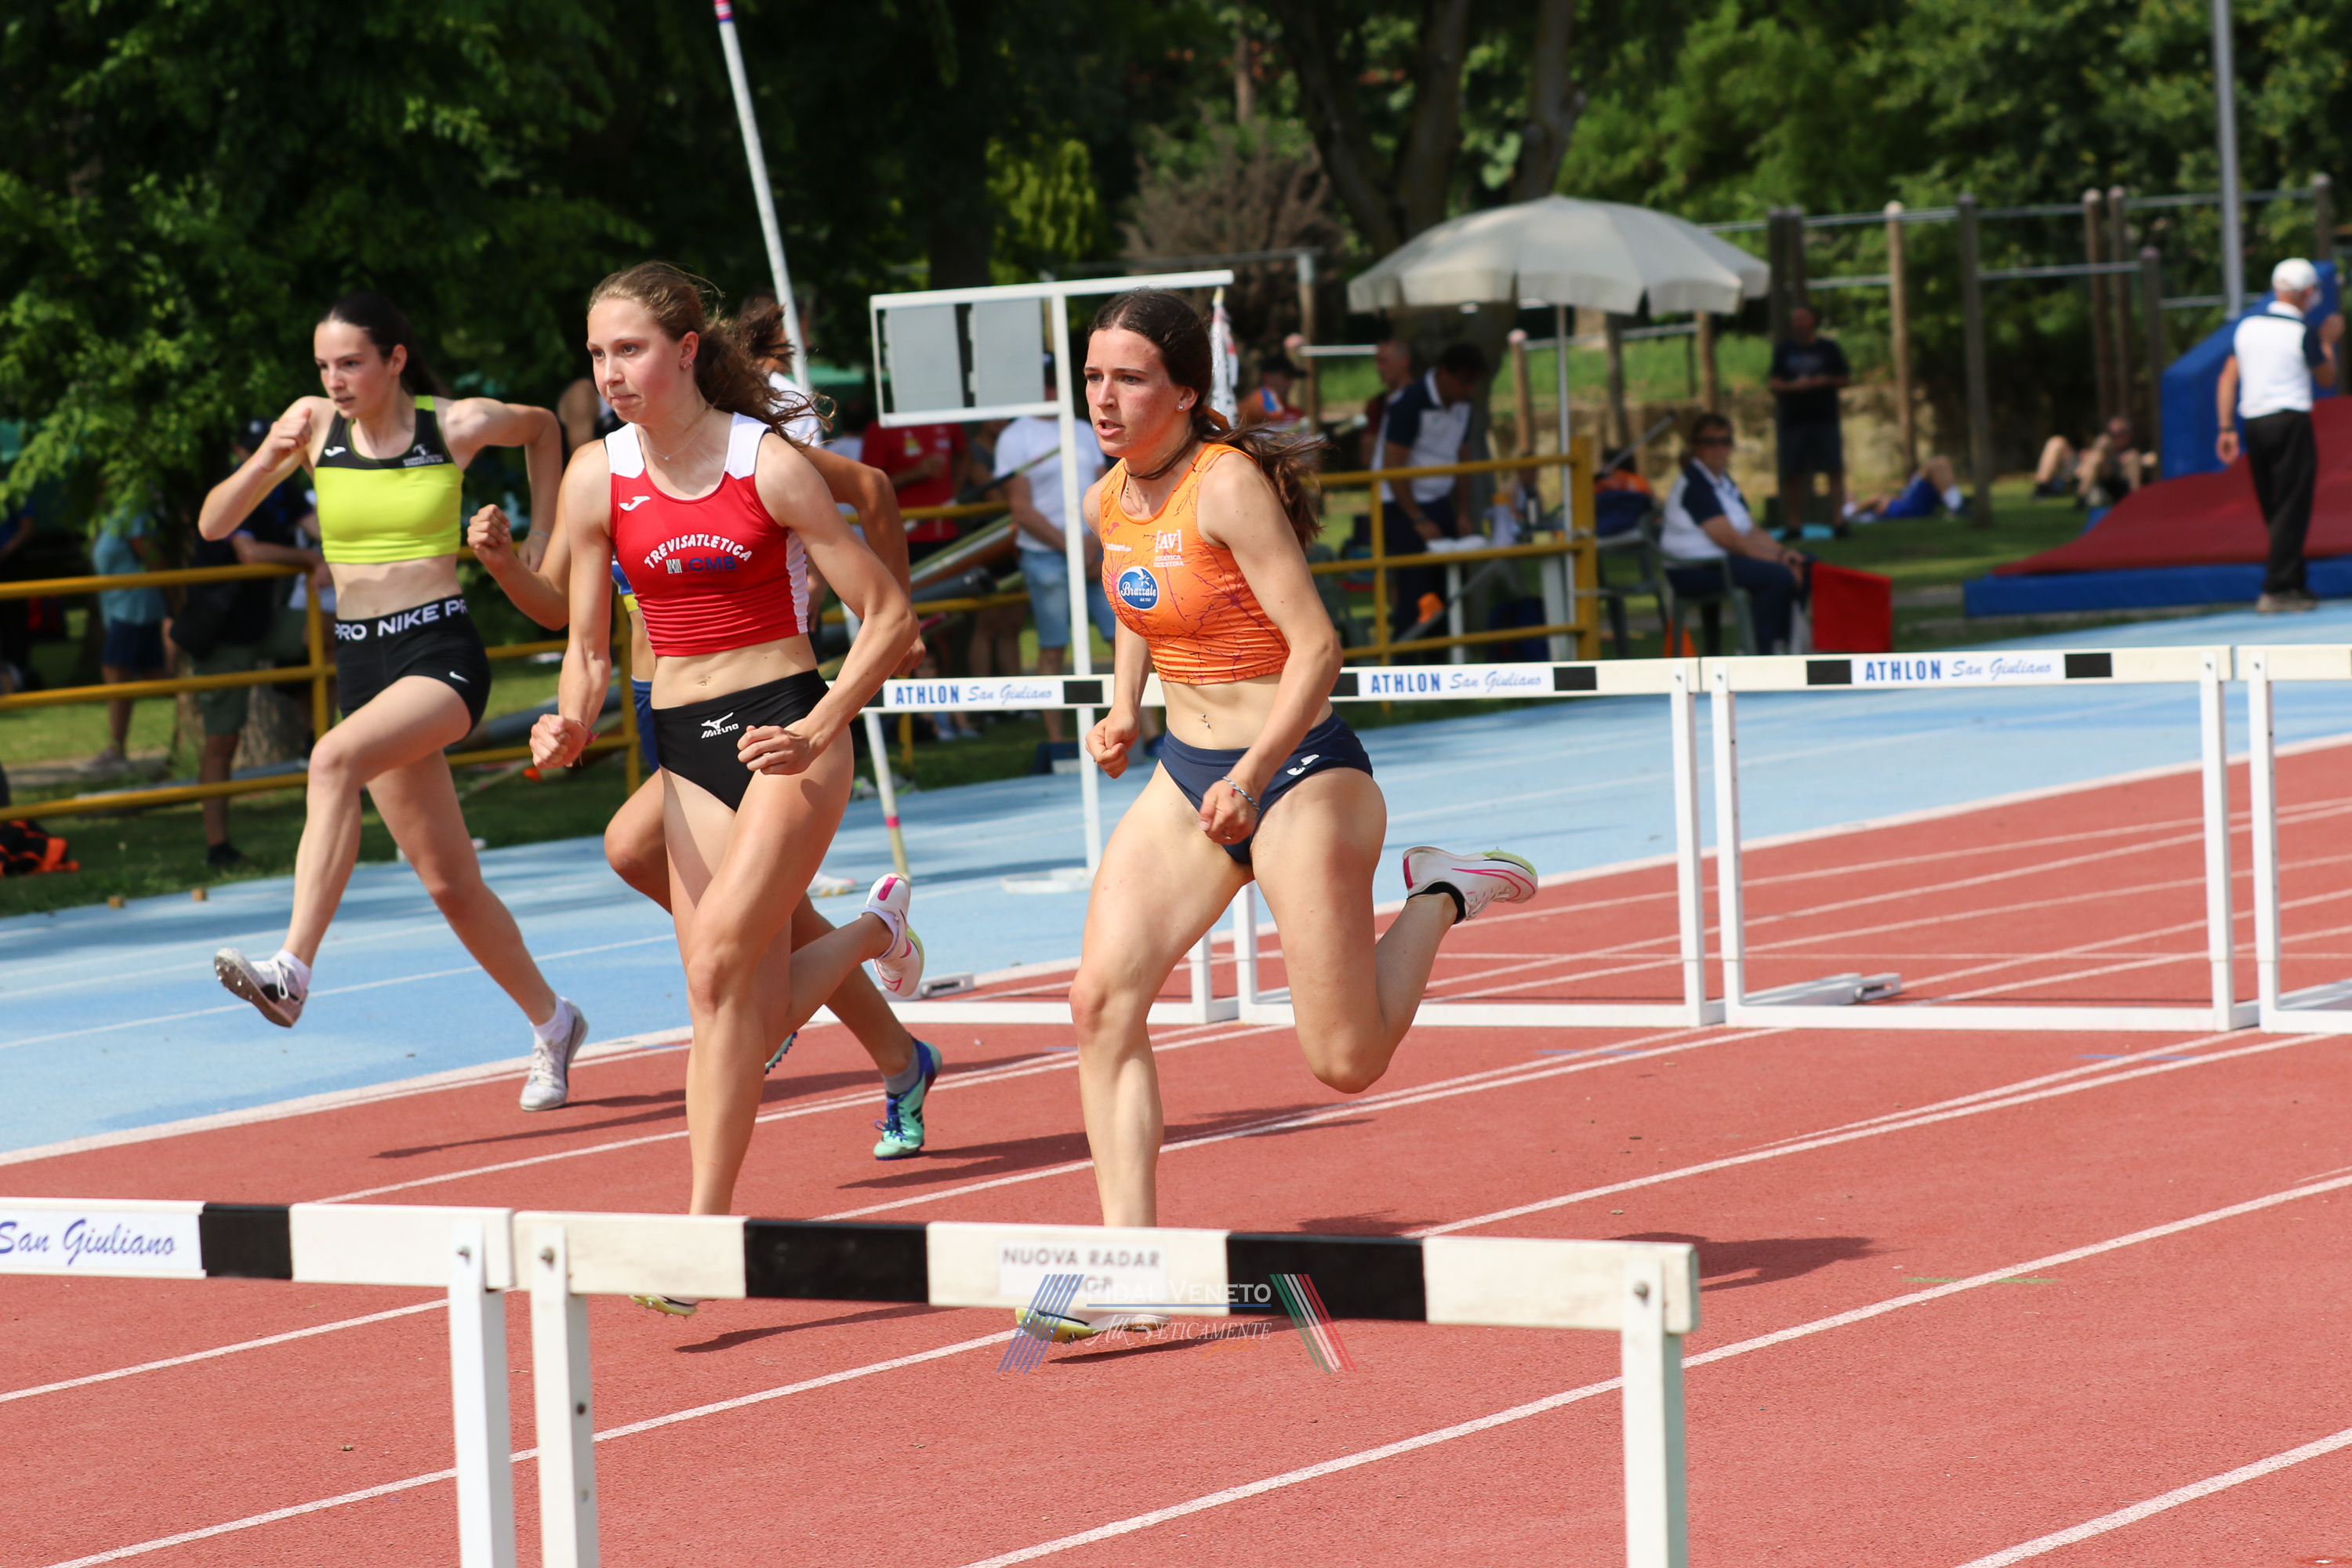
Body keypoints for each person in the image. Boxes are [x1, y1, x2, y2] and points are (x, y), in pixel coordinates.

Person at [1029, 289, 1534, 1341]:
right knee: (1098, 1001)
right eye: (1092, 378)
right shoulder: (1106, 495)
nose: (1104, 399)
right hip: (1188, 775)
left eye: (1128, 379)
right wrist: (1125, 708)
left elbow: (1318, 648)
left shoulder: (1227, 485)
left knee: (1345, 1062)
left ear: (1182, 391)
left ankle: (1443, 893)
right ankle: (1131, 1265)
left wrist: (1255, 774)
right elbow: (1139, 600)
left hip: (1299, 772)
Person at [528, 263, 922, 1312]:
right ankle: (875, 933)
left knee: (716, 972)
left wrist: (820, 725)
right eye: (597, 353)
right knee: (728, 999)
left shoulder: (768, 464)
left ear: (687, 348)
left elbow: (888, 616)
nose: (610, 372)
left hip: (786, 729)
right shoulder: (596, 476)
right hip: (684, 742)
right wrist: (569, 718)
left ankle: (701, 1235)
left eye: (630, 349)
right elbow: (587, 649)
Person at [199, 291, 591, 1113]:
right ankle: (554, 1022)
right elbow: (213, 523)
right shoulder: (312, 426)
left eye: (351, 363)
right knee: (450, 883)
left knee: (332, 758)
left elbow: (545, 430)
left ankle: (292, 972)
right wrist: (267, 458)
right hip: (363, 662)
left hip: (439, 655)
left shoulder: (456, 425)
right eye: (324, 366)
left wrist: (540, 539)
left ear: (396, 360)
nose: (335, 380)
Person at [171, 420, 328, 867]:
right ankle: (218, 845)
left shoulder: (286, 488)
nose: (271, 455)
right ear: (240, 451)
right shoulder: (236, 488)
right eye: (255, 447)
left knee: (333, 633)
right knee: (223, 741)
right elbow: (251, 554)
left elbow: (323, 528)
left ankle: (314, 734)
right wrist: (310, 558)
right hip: (221, 630)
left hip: (262, 620)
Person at [993, 390, 1132, 746]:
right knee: (1053, 646)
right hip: (1047, 553)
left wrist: (1094, 544)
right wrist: (1074, 548)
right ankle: (1059, 744)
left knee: (1126, 641)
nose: (1052, 388)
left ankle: (1144, 734)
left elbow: (1108, 491)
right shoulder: (1015, 436)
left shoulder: (1083, 428)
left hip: (1092, 550)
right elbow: (1021, 509)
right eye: (1046, 380)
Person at [2219, 258, 2344, 614]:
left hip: (2254, 423)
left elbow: (2227, 377)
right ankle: (2278, 587)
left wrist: (2225, 427)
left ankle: (2293, 581)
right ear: (2306, 292)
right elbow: (2326, 378)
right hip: (2289, 421)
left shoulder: (2247, 327)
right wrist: (2328, 343)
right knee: (2292, 505)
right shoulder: (2301, 331)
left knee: (2274, 506)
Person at [1661, 412, 1811, 653]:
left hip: (1720, 562)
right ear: (1695, 447)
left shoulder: (1723, 482)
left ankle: (1785, 642)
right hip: (1693, 570)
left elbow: (1751, 530)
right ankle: (1757, 651)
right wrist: (1779, 560)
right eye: (1711, 442)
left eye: (1725, 441)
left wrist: (1784, 553)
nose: (1719, 449)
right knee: (1778, 576)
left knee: (1805, 562)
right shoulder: (1695, 485)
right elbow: (1729, 539)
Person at [1381, 342, 1486, 638]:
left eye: (1474, 382)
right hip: (1403, 507)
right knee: (1415, 593)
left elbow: (1463, 457)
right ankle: (1405, 656)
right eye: (1464, 381)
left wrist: (1462, 511)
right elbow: (1393, 465)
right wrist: (1417, 518)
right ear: (1444, 374)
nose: (1469, 389)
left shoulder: (1464, 404)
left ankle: (1442, 656)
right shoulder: (1410, 402)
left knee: (1447, 590)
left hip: (1440, 502)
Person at [88, 492, 169, 774]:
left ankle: (116, 749)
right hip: (120, 607)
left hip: (135, 606)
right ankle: (202, 699)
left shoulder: (132, 511)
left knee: (115, 670)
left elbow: (153, 559)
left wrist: (173, 602)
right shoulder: (111, 516)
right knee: (152, 673)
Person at [1769, 306, 1851, 531]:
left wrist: (1826, 381)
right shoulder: (1784, 350)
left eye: (1803, 318)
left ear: (1813, 320)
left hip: (1825, 419)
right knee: (1793, 473)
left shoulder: (1828, 348)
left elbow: (1844, 378)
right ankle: (1794, 524)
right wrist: (1794, 386)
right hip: (1793, 422)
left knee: (1834, 470)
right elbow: (1773, 383)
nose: (1799, 323)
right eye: (1795, 319)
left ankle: (1839, 521)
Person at [861, 416, 966, 561]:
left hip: (946, 530)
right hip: (903, 535)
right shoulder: (881, 426)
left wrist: (955, 494)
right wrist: (914, 474)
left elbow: (965, 453)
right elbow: (869, 487)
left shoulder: (944, 417)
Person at [1849, 455, 1965, 523]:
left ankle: (1956, 504)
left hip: (1908, 500)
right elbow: (1874, 500)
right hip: (1909, 506)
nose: (1850, 493)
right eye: (1847, 494)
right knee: (1936, 464)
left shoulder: (1861, 507)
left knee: (1941, 462)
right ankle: (1957, 507)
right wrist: (1855, 511)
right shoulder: (1851, 510)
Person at [1237, 352, 1305, 430]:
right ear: (1267, 377)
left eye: (1293, 378)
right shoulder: (1260, 398)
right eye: (1287, 377)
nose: (1291, 384)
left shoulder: (1294, 412)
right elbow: (1272, 413)